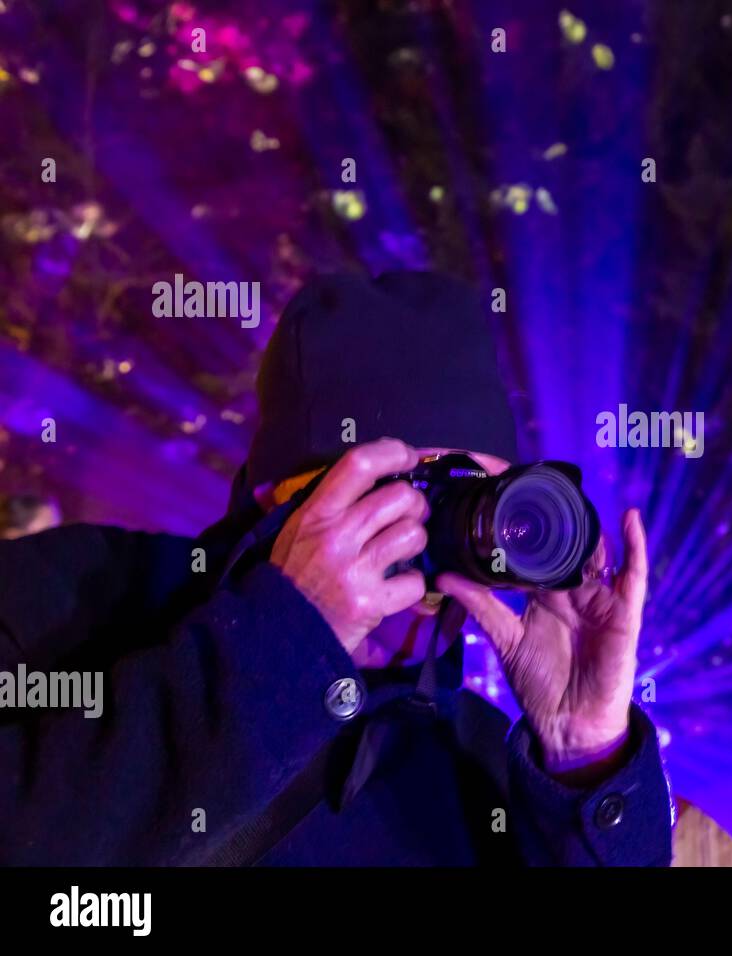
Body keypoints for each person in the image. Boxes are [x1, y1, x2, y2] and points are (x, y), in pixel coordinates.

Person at [0, 271, 673, 865]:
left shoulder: (488, 762)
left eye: (469, 494)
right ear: (277, 497)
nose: (427, 527)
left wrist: (586, 760)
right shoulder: (64, 599)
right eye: (401, 488)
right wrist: (288, 643)